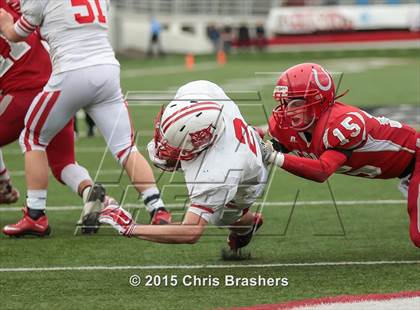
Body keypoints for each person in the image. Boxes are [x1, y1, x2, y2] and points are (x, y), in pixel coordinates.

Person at [0, 0, 171, 236]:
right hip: (107, 70)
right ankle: (158, 209)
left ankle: (35, 215)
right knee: (125, 148)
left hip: (70, 72)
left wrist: (7, 23)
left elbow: (16, 34)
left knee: (32, 138)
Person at [98, 81, 267, 257]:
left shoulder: (216, 174)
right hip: (232, 141)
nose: (163, 145)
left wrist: (130, 228)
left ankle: (247, 225)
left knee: (221, 217)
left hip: (249, 178)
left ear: (200, 144)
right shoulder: (196, 90)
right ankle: (250, 134)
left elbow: (191, 231)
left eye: (174, 145)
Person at [262, 63, 420, 248]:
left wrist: (273, 156)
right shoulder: (287, 127)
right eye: (285, 103)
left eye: (296, 103)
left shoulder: (343, 123)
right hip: (404, 171)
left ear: (319, 101)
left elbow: (322, 171)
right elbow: (261, 157)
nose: (288, 111)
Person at [0, 0, 106, 236]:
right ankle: (91, 192)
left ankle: (18, 199)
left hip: (24, 91)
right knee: (63, 163)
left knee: (32, 142)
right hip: (56, 89)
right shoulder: (22, 7)